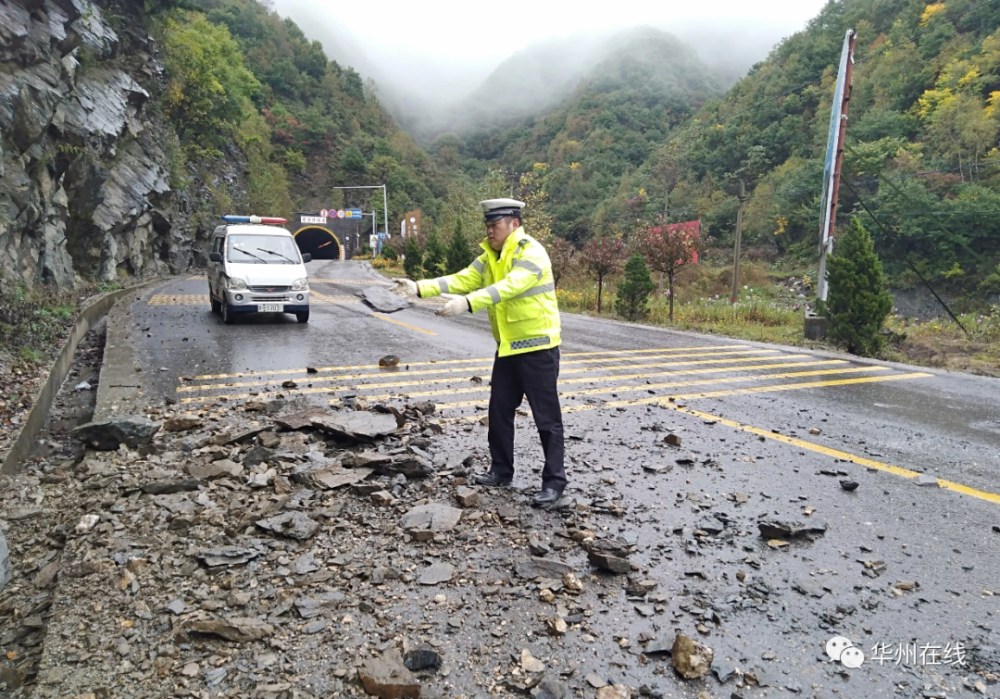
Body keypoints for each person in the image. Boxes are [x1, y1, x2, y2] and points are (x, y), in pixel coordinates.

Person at [394, 199, 567, 506]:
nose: (489, 231)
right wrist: (418, 288)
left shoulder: (531, 251)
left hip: (539, 347)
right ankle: (501, 470)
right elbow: (461, 279)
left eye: (495, 225)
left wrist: (468, 303)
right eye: (487, 226)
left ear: (513, 224)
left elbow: (512, 286)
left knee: (547, 419)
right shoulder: (489, 258)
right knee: (499, 410)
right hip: (509, 348)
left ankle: (554, 482)